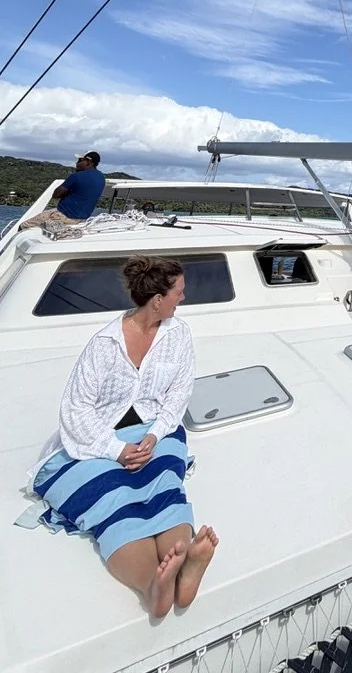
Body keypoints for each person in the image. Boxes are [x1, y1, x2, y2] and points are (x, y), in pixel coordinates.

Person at [29, 256, 218, 618]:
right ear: (157, 299)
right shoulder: (104, 345)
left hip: (151, 430)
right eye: (179, 291)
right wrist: (115, 451)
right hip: (97, 438)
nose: (184, 297)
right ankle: (154, 584)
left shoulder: (178, 336)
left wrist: (156, 434)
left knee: (163, 481)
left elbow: (178, 394)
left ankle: (183, 567)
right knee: (111, 495)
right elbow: (75, 410)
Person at [18, 151, 107, 231]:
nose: (76, 163)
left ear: (88, 162)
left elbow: (56, 194)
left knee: (23, 226)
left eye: (80, 160)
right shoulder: (101, 178)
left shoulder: (76, 176)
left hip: (63, 216)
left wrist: (68, 192)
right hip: (81, 219)